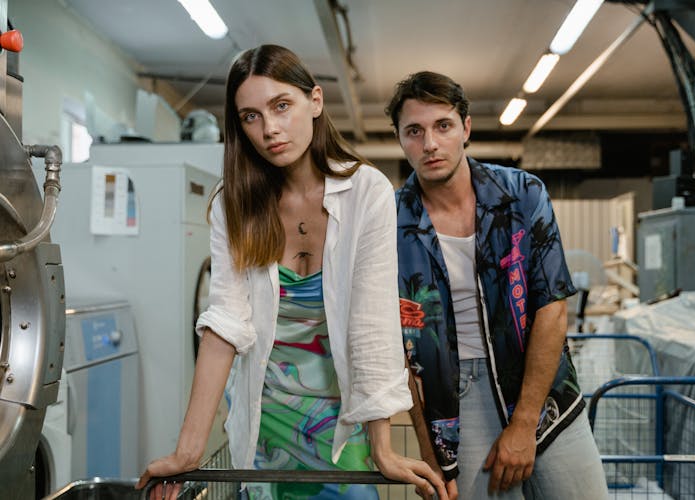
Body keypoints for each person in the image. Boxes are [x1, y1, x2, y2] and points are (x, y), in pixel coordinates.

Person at [136, 45, 447, 500]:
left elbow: (373, 323)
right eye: (251, 116)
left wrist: (383, 447)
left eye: (281, 106)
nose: (270, 129)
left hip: (343, 423)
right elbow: (226, 323)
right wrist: (189, 450)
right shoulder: (235, 202)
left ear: (315, 101)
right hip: (265, 420)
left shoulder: (366, 192)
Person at [386, 71, 609, 499]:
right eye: (414, 131)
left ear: (466, 128)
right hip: (456, 401)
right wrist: (431, 454)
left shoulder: (522, 194)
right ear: (399, 138)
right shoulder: (389, 222)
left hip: (542, 385)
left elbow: (551, 306)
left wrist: (525, 422)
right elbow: (400, 348)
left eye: (443, 126)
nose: (429, 143)